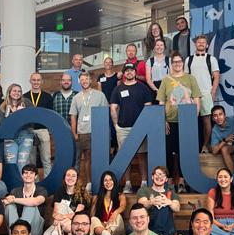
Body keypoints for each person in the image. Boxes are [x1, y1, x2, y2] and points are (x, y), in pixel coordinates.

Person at [157, 51, 201, 193]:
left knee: (184, 152)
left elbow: (197, 99)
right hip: (170, 121)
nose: (177, 64)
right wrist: (162, 120)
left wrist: (194, 118)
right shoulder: (166, 80)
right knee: (169, 151)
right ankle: (169, 181)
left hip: (187, 122)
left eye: (179, 61)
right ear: (172, 64)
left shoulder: (191, 78)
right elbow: (161, 101)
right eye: (174, 62)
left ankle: (182, 180)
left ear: (183, 63)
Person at [110, 62, 153, 193]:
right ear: (124, 73)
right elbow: (113, 108)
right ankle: (127, 184)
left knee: (142, 155)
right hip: (123, 128)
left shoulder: (143, 88)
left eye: (131, 70)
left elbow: (148, 106)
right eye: (127, 71)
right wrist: (116, 125)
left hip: (140, 128)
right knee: (125, 157)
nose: (129, 72)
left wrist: (145, 125)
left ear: (135, 72)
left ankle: (144, 182)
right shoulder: (118, 89)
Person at [69, 71, 109, 192]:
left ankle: (102, 182)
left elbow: (105, 112)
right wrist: (74, 133)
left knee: (99, 157)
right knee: (87, 158)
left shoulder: (100, 95)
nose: (84, 81)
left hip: (98, 131)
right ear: (79, 82)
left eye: (86, 79)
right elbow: (73, 116)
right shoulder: (76, 97)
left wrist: (105, 131)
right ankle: (89, 182)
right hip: (83, 131)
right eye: (82, 80)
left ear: (90, 80)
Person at [184, 35, 220, 153]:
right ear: (195, 44)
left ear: (207, 45)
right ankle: (191, 148)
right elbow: (185, 78)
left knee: (207, 122)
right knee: (191, 122)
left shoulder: (211, 59)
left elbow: (216, 76)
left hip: (206, 93)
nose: (201, 44)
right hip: (192, 95)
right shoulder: (188, 60)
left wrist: (213, 91)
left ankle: (205, 145)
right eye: (199, 42)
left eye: (203, 42)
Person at [41, 167, 90, 235]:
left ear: (77, 179)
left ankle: (55, 234)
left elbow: (77, 215)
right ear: (64, 178)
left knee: (63, 207)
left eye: (73, 176)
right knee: (62, 209)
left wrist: (60, 218)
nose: (70, 178)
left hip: (78, 221)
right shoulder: (60, 191)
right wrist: (58, 217)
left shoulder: (82, 193)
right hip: (66, 223)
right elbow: (55, 213)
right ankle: (58, 234)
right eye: (68, 175)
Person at [137, 165, 183, 235]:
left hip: (167, 227)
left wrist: (168, 202)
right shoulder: (144, 190)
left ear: (166, 179)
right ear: (152, 177)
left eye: (162, 175)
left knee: (164, 206)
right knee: (160, 206)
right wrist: (152, 202)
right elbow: (141, 204)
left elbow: (177, 207)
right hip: (150, 226)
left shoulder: (170, 192)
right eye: (157, 174)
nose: (159, 177)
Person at [3, 164, 47, 235]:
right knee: (9, 206)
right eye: (26, 173)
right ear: (22, 175)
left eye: (31, 173)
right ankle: (16, 234)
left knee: (30, 206)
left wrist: (14, 200)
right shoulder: (15, 191)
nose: (28, 175)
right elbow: (6, 202)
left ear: (35, 176)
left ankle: (22, 234)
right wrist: (5, 201)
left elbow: (36, 201)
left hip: (34, 232)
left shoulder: (41, 190)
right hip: (15, 232)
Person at [24, 72, 54, 178]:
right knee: (31, 160)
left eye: (38, 80)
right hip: (29, 130)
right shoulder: (25, 97)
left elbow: (50, 115)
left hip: (43, 130)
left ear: (41, 82)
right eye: (34, 80)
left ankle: (48, 182)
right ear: (30, 81)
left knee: (46, 158)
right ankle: (33, 183)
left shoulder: (47, 97)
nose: (36, 82)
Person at [0, 83, 34, 172]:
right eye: (14, 91)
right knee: (11, 164)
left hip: (25, 135)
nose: (17, 93)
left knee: (23, 164)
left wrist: (21, 114)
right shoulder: (3, 106)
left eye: (19, 91)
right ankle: (14, 185)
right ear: (9, 92)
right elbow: (3, 124)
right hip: (10, 137)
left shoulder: (26, 102)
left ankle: (23, 185)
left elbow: (32, 120)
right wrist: (14, 115)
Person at [90, 171, 126, 235]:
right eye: (105, 180)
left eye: (110, 180)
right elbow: (92, 216)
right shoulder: (96, 198)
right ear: (102, 183)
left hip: (116, 228)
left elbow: (123, 206)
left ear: (114, 181)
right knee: (93, 219)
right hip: (102, 227)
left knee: (119, 216)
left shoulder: (120, 196)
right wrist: (101, 223)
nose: (108, 182)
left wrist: (115, 213)